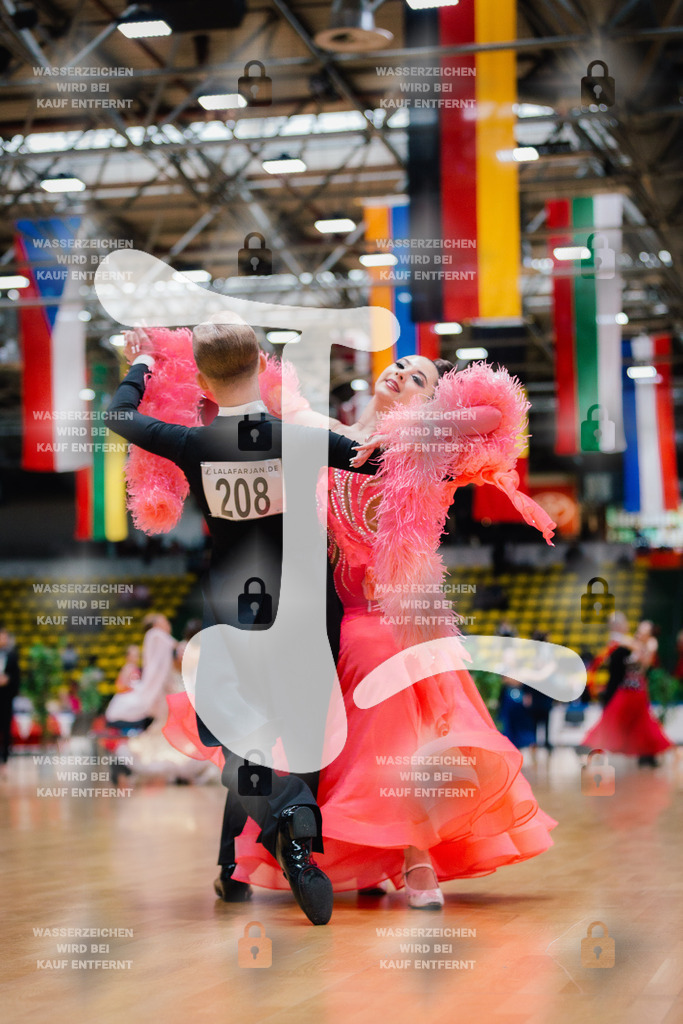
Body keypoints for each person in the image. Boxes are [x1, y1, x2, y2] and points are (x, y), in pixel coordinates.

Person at [205, 351, 558, 907]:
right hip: (331, 614)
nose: (400, 374)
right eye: (399, 366)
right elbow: (264, 396)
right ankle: (356, 852)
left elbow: (496, 417)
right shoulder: (330, 436)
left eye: (419, 378)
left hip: (400, 619)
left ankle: (417, 856)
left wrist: (417, 424)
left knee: (382, 674)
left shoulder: (430, 449)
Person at [103, 319, 392, 926]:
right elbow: (381, 464)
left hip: (235, 614)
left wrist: (145, 364)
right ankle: (297, 841)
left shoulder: (194, 442)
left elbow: (120, 417)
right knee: (308, 734)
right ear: (265, 366)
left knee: (237, 740)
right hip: (310, 610)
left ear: (203, 381)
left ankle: (265, 839)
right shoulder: (303, 439)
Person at [582, 619, 673, 766]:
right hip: (624, 690)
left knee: (642, 724)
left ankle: (648, 754)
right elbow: (619, 641)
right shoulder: (633, 643)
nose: (639, 631)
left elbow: (645, 664)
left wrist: (636, 646)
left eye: (643, 629)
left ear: (649, 633)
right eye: (640, 629)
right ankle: (594, 746)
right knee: (612, 717)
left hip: (637, 691)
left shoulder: (650, 645)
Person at [105, 614, 176, 731]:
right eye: (164, 620)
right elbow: (121, 685)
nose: (167, 623)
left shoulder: (139, 664)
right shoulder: (155, 634)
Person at [0, 627, 20, 774]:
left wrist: (8, 681)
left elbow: (17, 677)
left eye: (5, 636)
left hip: (6, 697)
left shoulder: (12, 656)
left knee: (6, 728)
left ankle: (5, 758)